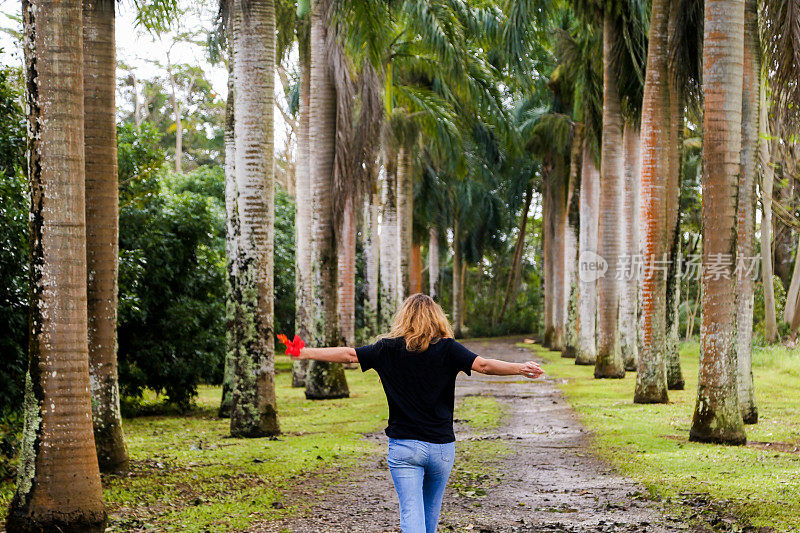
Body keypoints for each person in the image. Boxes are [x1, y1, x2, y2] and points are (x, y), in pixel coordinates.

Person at [295, 293, 544, 533]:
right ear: (437, 318)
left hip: (404, 446)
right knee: (430, 514)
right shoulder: (448, 349)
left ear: (403, 318)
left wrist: (304, 352)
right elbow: (484, 365)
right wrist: (520, 368)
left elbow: (349, 354)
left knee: (411, 511)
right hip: (441, 447)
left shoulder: (386, 349)